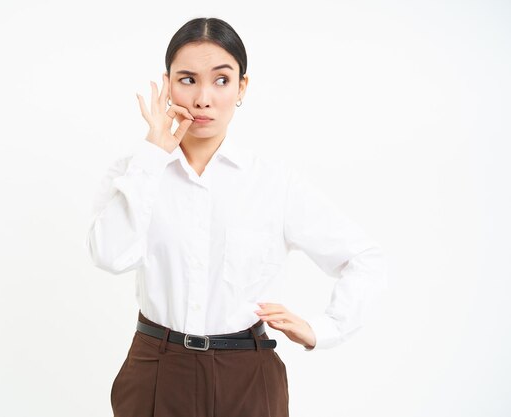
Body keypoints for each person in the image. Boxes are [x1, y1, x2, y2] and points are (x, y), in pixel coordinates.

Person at [85, 16, 387, 417]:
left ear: (242, 87)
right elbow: (108, 256)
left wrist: (322, 329)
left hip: (246, 375)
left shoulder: (273, 183)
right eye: (188, 79)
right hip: (155, 368)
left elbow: (364, 258)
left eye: (222, 80)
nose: (203, 98)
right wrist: (153, 155)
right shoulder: (135, 171)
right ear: (168, 84)